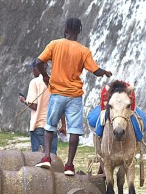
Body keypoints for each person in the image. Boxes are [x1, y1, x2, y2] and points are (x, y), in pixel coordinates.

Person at [35, 17, 111, 175]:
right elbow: (95, 71)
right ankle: (69, 166)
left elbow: (38, 62)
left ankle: (47, 158)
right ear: (80, 31)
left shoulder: (54, 44)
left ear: (65, 29)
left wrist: (45, 75)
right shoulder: (83, 51)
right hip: (74, 96)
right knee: (74, 131)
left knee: (49, 127)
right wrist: (104, 72)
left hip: (57, 94)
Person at [19, 59, 58, 155]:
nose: (32, 71)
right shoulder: (54, 81)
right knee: (52, 159)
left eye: (33, 68)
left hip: (39, 127)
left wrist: (24, 101)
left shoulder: (35, 82)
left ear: (37, 68)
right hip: (52, 126)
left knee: (38, 159)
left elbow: (34, 106)